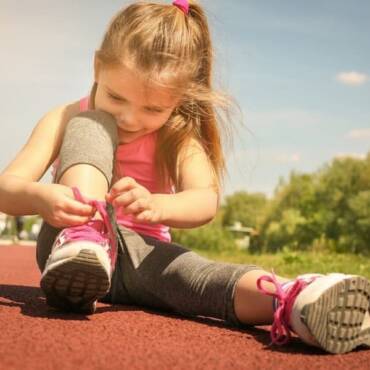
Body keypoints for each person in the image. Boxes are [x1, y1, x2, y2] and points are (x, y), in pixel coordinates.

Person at [0, 0, 368, 355]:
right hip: (67, 246)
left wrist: (157, 205)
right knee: (92, 123)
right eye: (116, 97)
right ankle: (87, 237)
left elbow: (205, 200)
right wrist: (39, 198)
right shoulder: (64, 116)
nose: (129, 118)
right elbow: (7, 188)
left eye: (153, 109)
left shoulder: (177, 134)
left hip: (145, 257)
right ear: (97, 67)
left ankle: (295, 302)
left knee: (200, 278)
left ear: (178, 98)